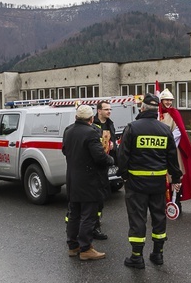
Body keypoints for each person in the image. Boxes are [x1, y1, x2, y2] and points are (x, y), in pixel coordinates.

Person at [118, 93, 183, 269]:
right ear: (157, 110)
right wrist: (176, 178)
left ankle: (136, 257)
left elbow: (122, 156)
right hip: (158, 184)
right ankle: (158, 254)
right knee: (159, 217)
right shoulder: (165, 130)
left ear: (143, 108)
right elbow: (172, 159)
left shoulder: (132, 128)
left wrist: (123, 175)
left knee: (137, 218)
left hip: (136, 183)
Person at [62, 105, 115, 261]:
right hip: (88, 180)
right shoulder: (91, 133)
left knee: (74, 214)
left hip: (72, 178)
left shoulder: (68, 130)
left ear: (76, 117)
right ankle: (86, 248)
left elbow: (65, 151)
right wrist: (110, 160)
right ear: (92, 119)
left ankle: (73, 246)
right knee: (88, 215)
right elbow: (99, 156)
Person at [158, 89, 191, 210]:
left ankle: (175, 202)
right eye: (166, 100)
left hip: (172, 149)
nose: (168, 102)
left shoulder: (174, 113)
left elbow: (179, 131)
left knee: (174, 176)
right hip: (158, 151)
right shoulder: (157, 113)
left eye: (170, 100)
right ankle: (162, 202)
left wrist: (167, 144)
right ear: (161, 100)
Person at [90, 100, 117, 240]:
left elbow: (115, 141)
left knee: (102, 194)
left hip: (104, 163)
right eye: (106, 109)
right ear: (99, 110)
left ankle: (97, 220)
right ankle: (94, 226)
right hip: (93, 165)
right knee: (95, 195)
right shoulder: (92, 124)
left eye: (110, 109)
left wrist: (114, 148)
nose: (109, 112)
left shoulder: (110, 124)